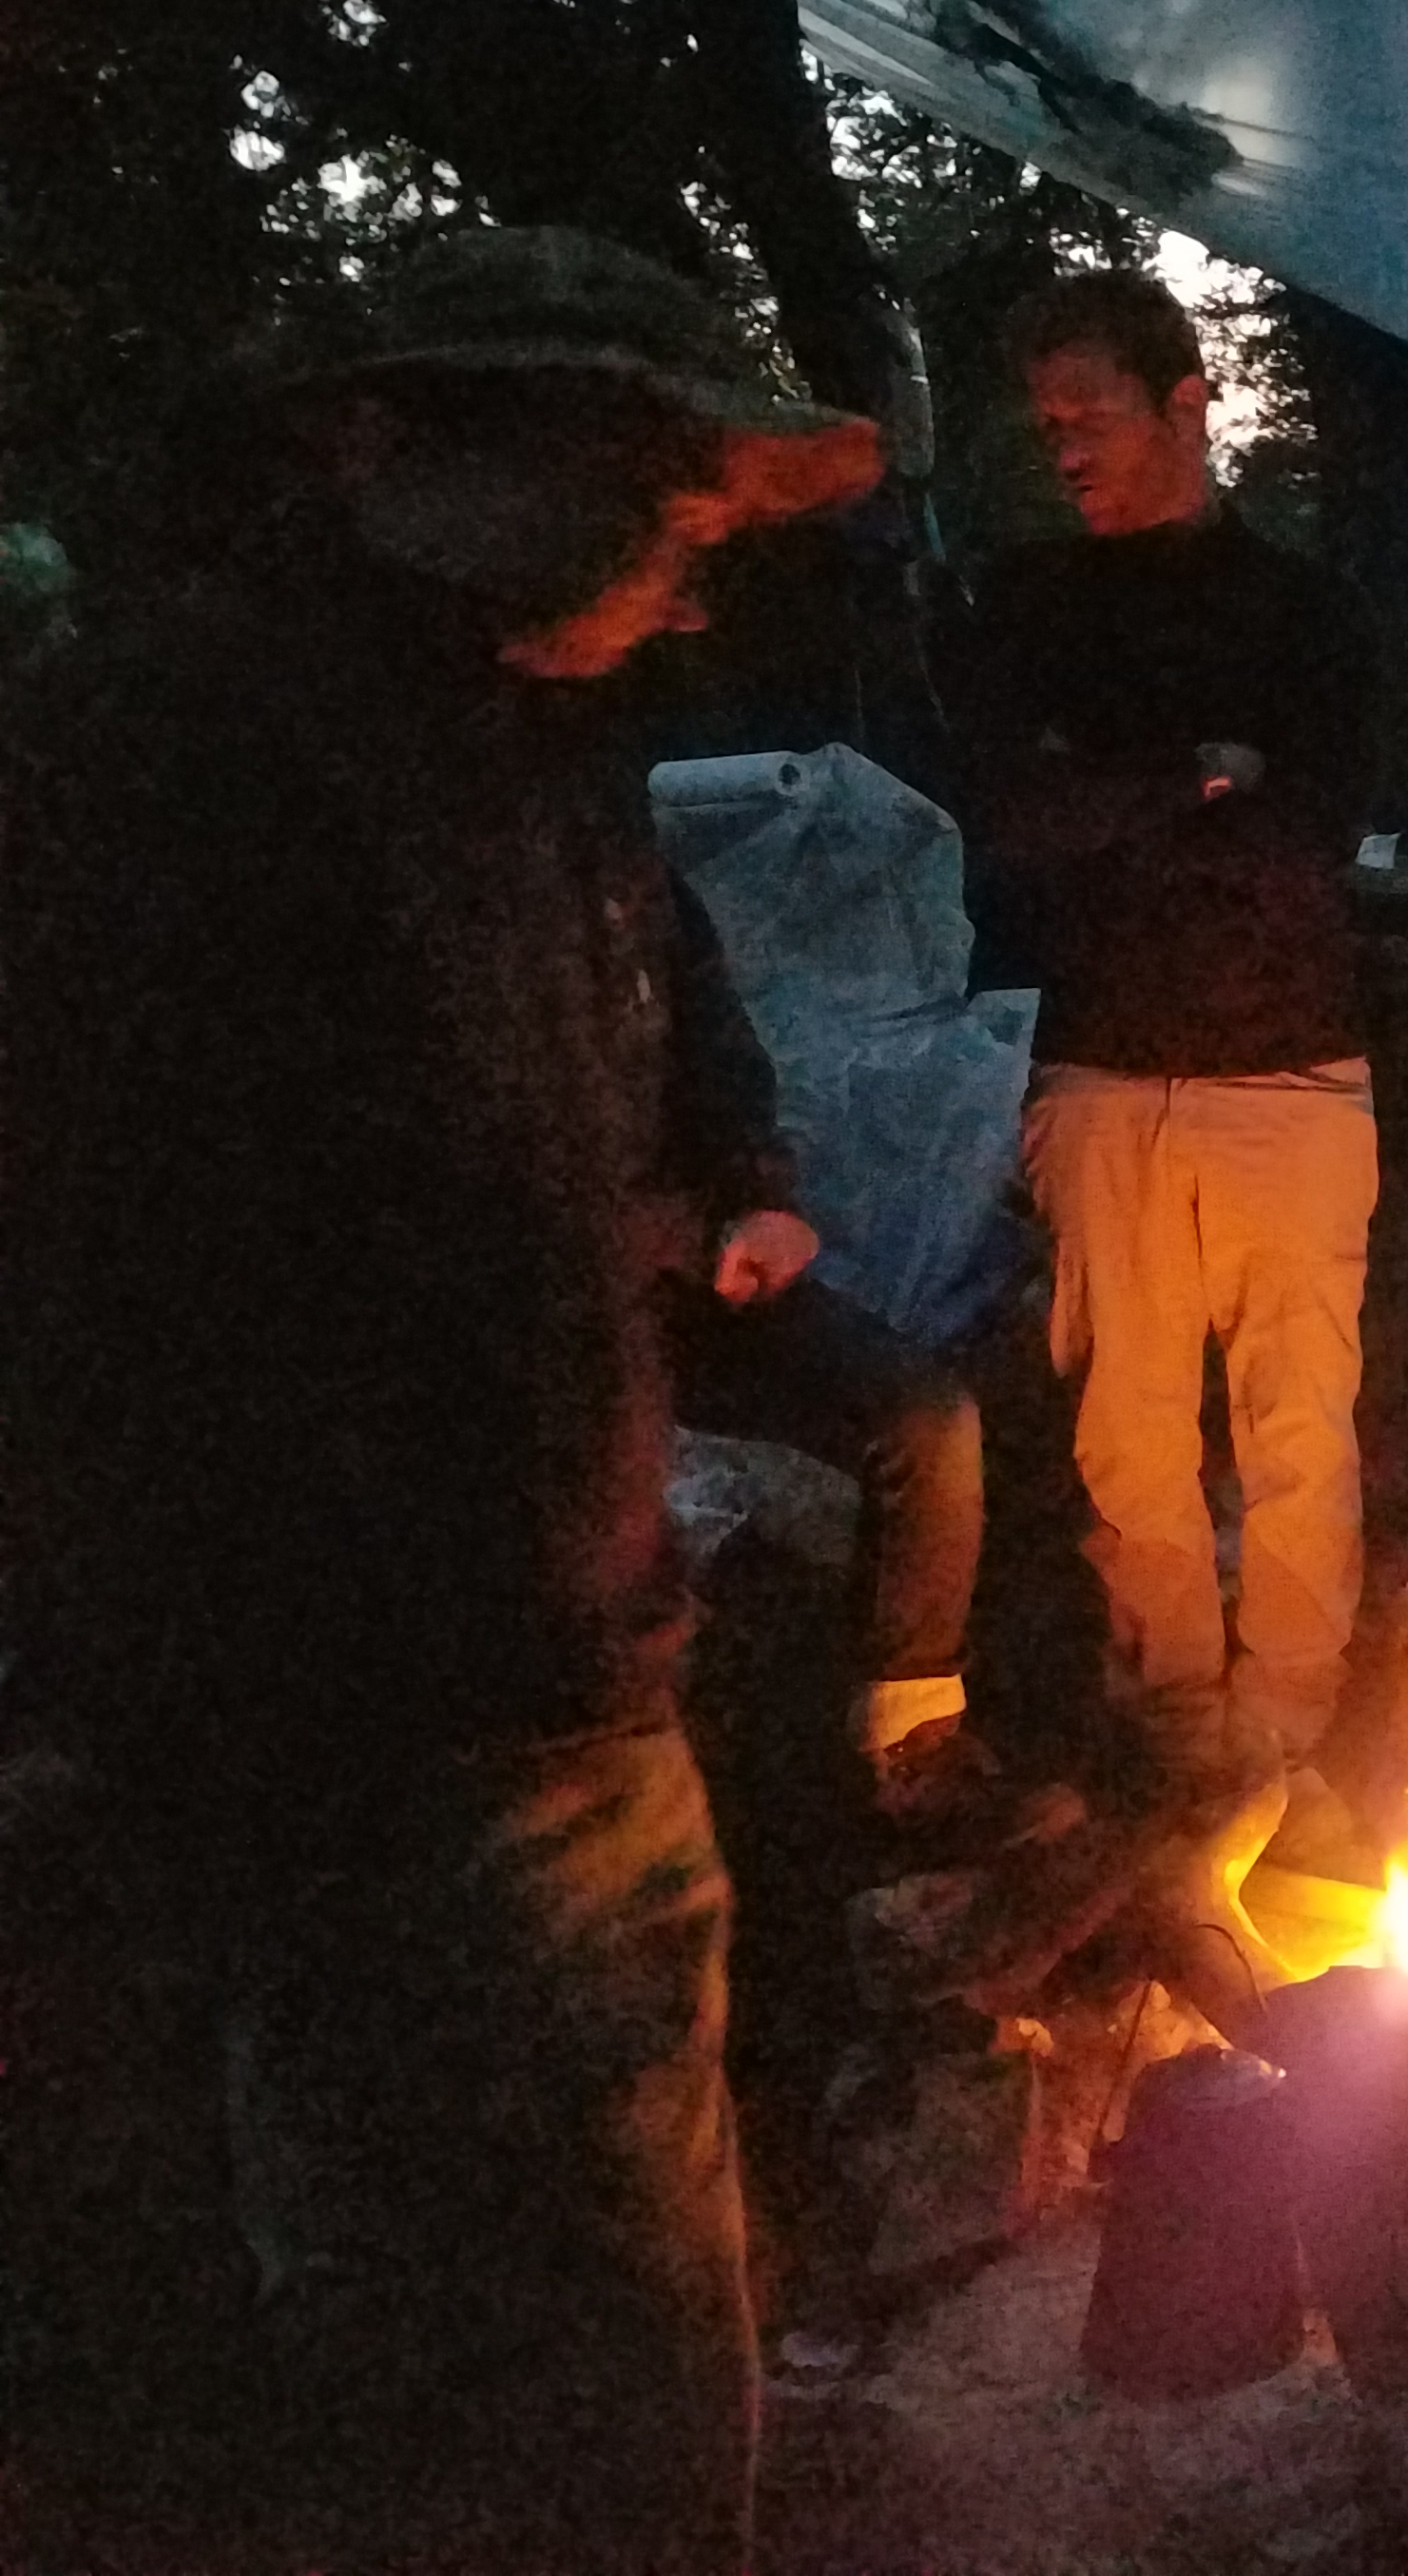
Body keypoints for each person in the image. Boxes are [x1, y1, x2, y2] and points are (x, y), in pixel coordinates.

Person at [0, 226, 880, 2571]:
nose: (695, 595)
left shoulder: (521, 746)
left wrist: (705, 1220)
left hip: (547, 1646)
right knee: (511, 2350)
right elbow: (146, 1256)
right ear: (404, 447)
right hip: (372, 1708)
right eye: (664, 519)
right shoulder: (174, 757)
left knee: (604, 2292)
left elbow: (615, 1059)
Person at [935, 269, 1383, 1801]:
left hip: (1291, 1067)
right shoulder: (1028, 606)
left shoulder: (1304, 612)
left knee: (1298, 1424)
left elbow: (1308, 835)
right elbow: (1008, 822)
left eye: (1092, 416)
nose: (1063, 448)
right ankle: (1179, 1728)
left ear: (1186, 402)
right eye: (1045, 423)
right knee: (1127, 1437)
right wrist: (1193, 778)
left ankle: (1296, 1724)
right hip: (1105, 1063)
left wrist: (1118, 799)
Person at [661, 869, 986, 1786]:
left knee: (927, 1418)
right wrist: (685, 1233)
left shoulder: (635, 887)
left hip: (695, 1269)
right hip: (565, 1296)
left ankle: (911, 1739)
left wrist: (760, 1199)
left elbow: (721, 1061)